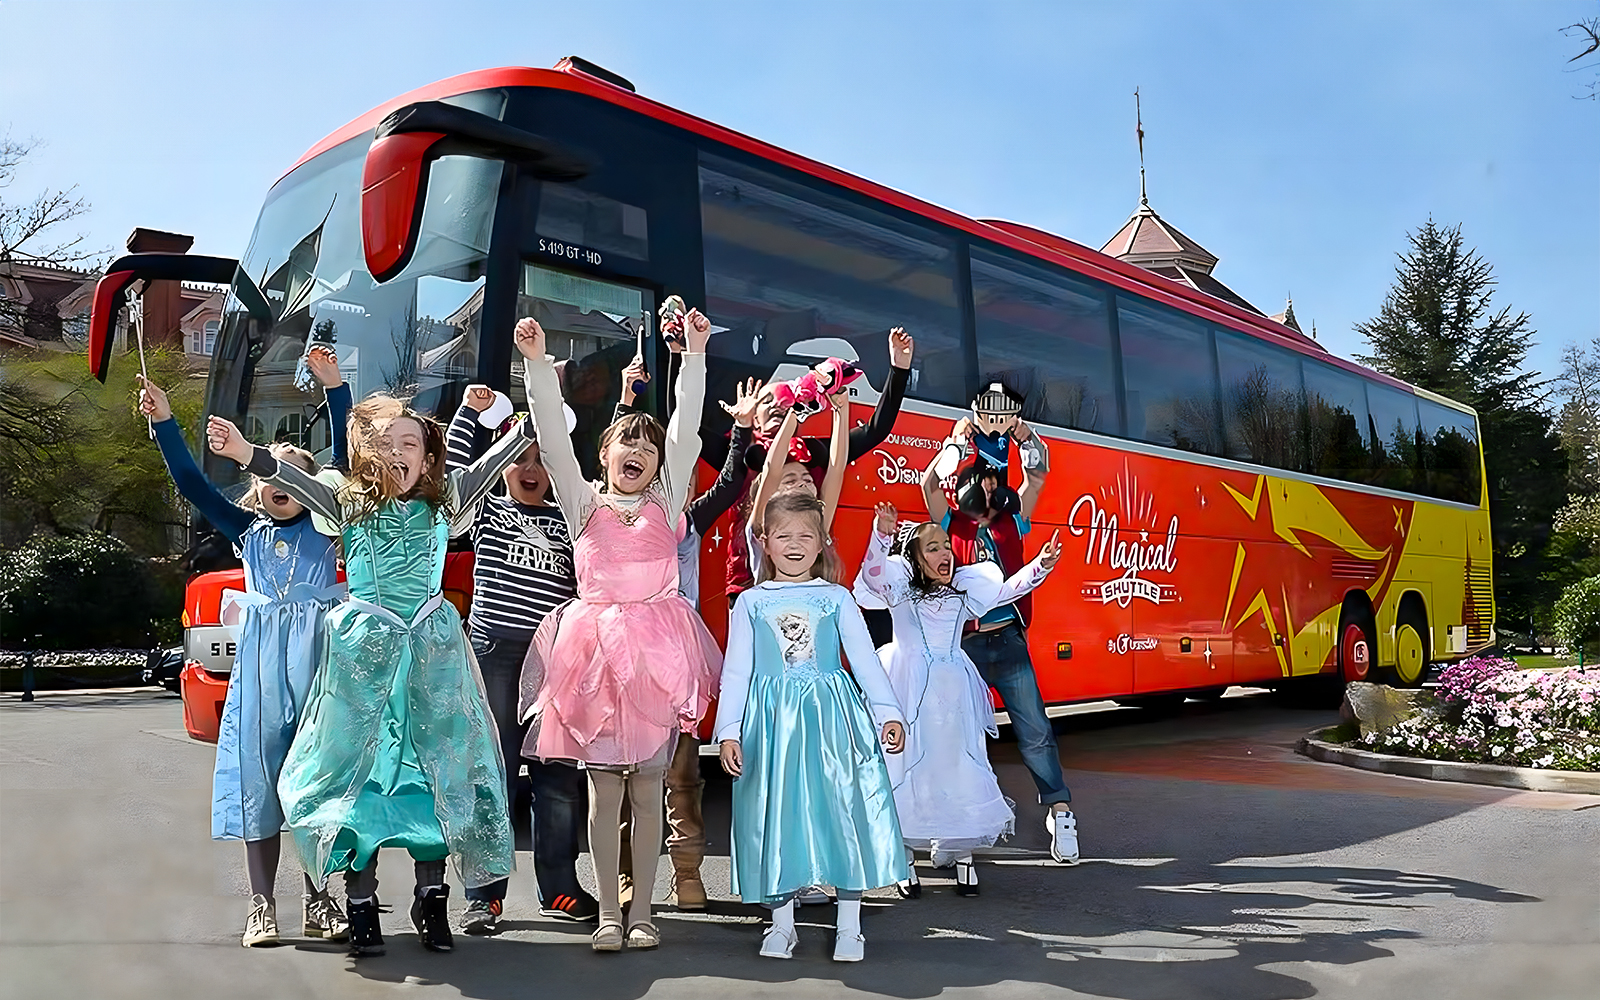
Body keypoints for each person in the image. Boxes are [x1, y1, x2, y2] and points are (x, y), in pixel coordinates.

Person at [205, 331, 545, 958]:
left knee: (434, 772)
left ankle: (431, 900)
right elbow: (290, 481)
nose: (398, 454)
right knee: (355, 781)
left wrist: (526, 378)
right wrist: (247, 452)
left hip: (431, 656)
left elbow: (513, 448)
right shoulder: (346, 503)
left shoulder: (448, 498)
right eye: (386, 445)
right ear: (366, 455)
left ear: (427, 455)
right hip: (363, 660)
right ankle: (360, 905)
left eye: (410, 444)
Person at [520, 310, 722, 952]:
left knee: (648, 789)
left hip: (659, 656)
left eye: (647, 444)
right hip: (594, 658)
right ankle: (610, 912)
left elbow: (688, 431)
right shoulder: (583, 505)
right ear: (602, 455)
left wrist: (693, 356)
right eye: (623, 441)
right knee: (603, 795)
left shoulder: (668, 504)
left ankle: (645, 915)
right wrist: (536, 368)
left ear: (659, 463)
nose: (635, 449)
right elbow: (552, 441)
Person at [137, 348, 350, 948]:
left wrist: (335, 390)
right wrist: (165, 423)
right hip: (260, 670)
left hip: (318, 667)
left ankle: (320, 900)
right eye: (268, 473)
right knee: (259, 779)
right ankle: (261, 904)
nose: (278, 481)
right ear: (256, 490)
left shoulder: (328, 527)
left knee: (316, 781)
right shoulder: (246, 531)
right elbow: (191, 483)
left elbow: (345, 459)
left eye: (291, 472)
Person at [715, 492, 909, 963]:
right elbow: (736, 671)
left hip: (831, 719)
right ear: (764, 542)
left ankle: (850, 925)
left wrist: (888, 713)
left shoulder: (836, 598)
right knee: (776, 815)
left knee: (843, 811)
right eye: (783, 536)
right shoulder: (751, 603)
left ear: (823, 542)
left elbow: (863, 660)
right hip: (771, 726)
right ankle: (781, 924)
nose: (795, 545)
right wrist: (729, 731)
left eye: (806, 535)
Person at [610, 358, 762, 911]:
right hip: (623, 659)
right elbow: (617, 453)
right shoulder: (614, 516)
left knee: (681, 774)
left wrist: (742, 428)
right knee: (623, 773)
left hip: (675, 660)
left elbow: (731, 482)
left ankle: (689, 871)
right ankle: (628, 875)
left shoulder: (687, 520)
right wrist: (627, 399)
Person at [444, 387, 597, 933]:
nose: (529, 469)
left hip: (554, 661)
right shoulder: (487, 507)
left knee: (557, 776)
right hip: (495, 654)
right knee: (494, 773)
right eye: (518, 457)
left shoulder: (569, 519)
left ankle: (560, 888)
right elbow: (452, 482)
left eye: (540, 459)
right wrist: (469, 416)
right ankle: (483, 895)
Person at [857, 502, 1060, 897]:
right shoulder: (898, 589)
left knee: (956, 764)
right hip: (906, 686)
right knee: (905, 767)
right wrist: (881, 534)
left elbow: (1009, 590)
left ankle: (960, 852)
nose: (944, 553)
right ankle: (904, 857)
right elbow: (872, 573)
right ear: (914, 557)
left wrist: (1042, 564)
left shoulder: (963, 592)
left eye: (946, 546)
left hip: (954, 691)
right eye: (932, 548)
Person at [921, 415, 1080, 865]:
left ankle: (1060, 812)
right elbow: (931, 482)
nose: (989, 491)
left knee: (1035, 731)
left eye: (995, 484)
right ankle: (951, 827)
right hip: (964, 647)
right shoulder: (950, 521)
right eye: (982, 483)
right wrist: (955, 442)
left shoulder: (1015, 520)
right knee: (955, 735)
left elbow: (1039, 474)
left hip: (1008, 640)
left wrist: (1023, 435)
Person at [707, 328, 915, 606]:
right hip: (752, 583)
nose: (778, 404)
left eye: (804, 478)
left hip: (806, 589)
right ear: (752, 414)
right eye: (767, 400)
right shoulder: (738, 452)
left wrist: (898, 370)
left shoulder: (811, 452)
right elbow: (767, 469)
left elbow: (866, 440)